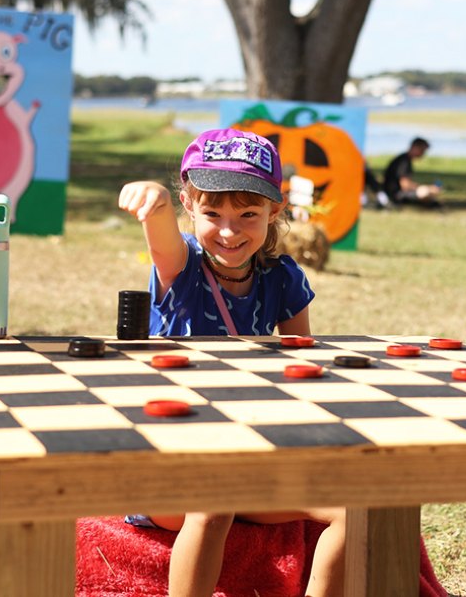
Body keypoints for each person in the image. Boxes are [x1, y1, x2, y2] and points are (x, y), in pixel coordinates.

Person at [118, 128, 345, 597]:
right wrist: (155, 202)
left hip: (249, 453)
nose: (228, 229)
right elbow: (161, 237)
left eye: (247, 213)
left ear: (274, 211)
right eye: (211, 213)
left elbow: (302, 367)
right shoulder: (182, 266)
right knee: (212, 501)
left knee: (353, 509)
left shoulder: (283, 277)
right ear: (188, 206)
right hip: (168, 459)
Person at [383, 136, 442, 207]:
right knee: (425, 194)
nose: (423, 154)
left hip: (395, 193)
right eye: (422, 150)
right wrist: (426, 188)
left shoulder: (405, 159)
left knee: (427, 196)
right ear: (415, 147)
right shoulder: (403, 162)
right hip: (396, 194)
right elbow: (405, 185)